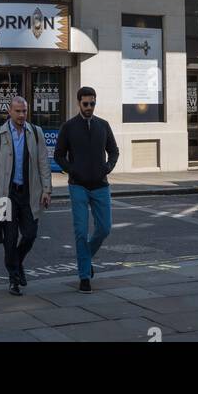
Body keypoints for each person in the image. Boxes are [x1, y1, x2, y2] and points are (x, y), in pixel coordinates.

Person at [0, 96, 52, 297]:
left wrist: (47, 190)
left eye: (24, 111)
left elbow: (43, 163)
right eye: (18, 111)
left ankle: (18, 262)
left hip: (30, 194)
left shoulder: (36, 133)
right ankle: (13, 278)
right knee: (10, 239)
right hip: (6, 196)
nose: (22, 115)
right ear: (9, 112)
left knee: (30, 234)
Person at [54, 86, 119, 292]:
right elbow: (58, 155)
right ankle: (84, 277)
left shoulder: (103, 125)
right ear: (78, 103)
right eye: (86, 104)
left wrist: (107, 167)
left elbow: (114, 151)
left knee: (104, 228)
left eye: (92, 103)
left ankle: (85, 258)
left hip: (100, 185)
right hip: (78, 187)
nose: (89, 107)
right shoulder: (69, 127)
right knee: (81, 232)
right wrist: (72, 170)